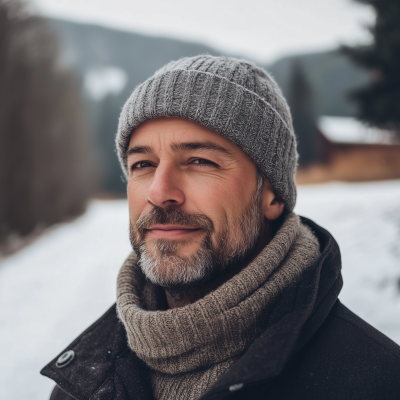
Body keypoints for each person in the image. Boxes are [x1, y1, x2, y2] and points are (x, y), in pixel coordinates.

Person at [41, 55, 400, 400]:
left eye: (199, 161)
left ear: (272, 194)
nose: (159, 192)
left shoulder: (377, 383)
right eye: (142, 164)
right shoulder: (79, 386)